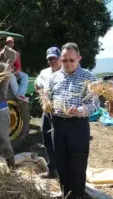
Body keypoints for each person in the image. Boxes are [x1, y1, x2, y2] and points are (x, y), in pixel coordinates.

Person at [46, 43, 99, 199]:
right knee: (62, 164)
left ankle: (77, 195)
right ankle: (66, 194)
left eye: (71, 60)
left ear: (79, 58)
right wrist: (47, 105)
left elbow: (95, 104)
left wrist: (80, 110)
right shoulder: (54, 77)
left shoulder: (89, 77)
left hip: (78, 127)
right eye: (64, 60)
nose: (68, 64)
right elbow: (48, 98)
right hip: (58, 125)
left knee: (78, 166)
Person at [35, 46, 61, 179]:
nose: (52, 61)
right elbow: (37, 84)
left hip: (61, 113)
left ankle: (63, 172)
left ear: (60, 58)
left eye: (54, 58)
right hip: (47, 111)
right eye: (49, 59)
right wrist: (41, 93)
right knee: (47, 141)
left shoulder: (65, 72)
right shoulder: (44, 72)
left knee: (59, 142)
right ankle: (52, 170)